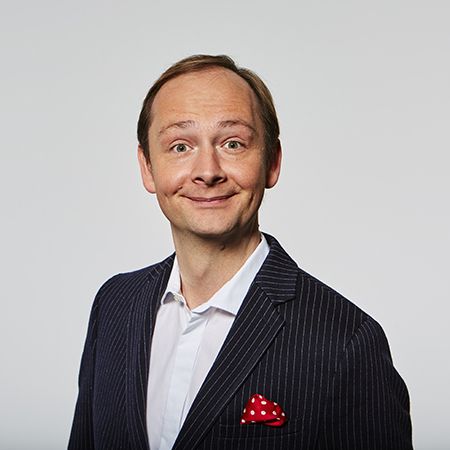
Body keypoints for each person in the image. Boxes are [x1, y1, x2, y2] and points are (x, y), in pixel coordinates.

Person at [68, 54, 413, 450]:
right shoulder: (114, 305)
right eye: (180, 146)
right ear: (148, 167)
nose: (207, 171)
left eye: (233, 144)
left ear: (272, 162)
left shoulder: (346, 339)